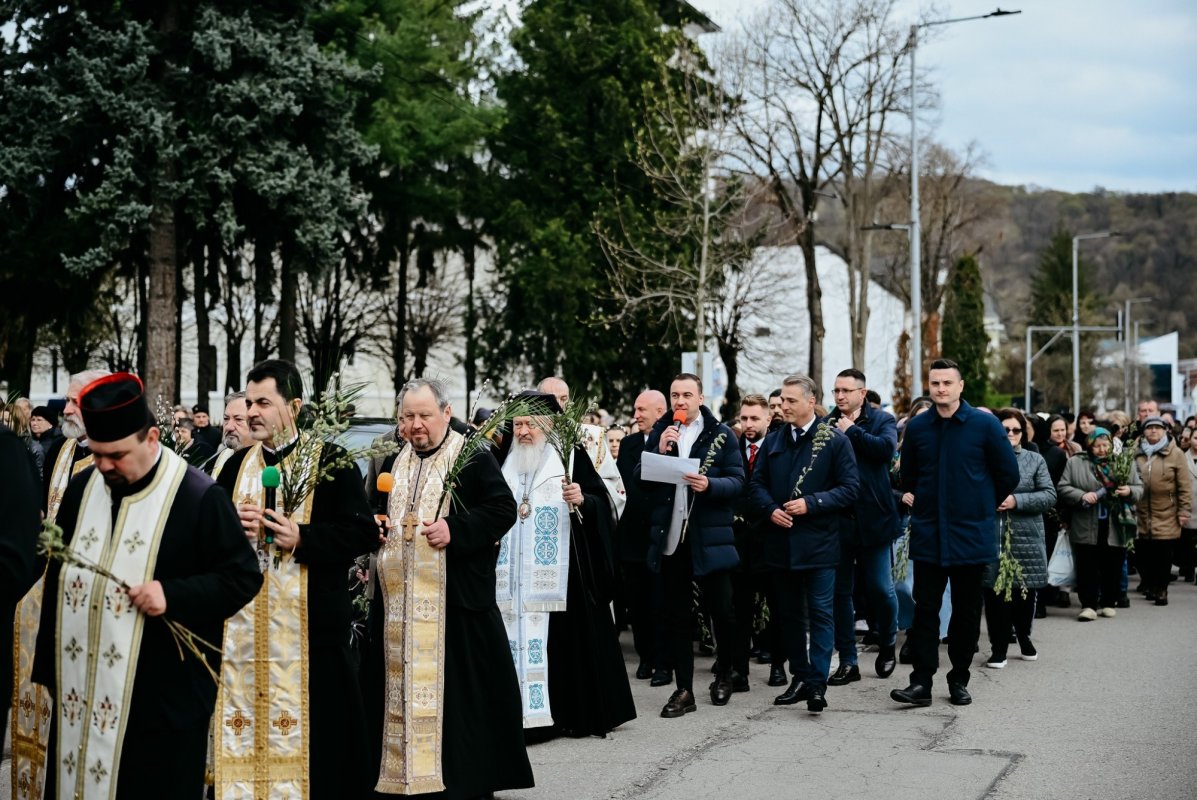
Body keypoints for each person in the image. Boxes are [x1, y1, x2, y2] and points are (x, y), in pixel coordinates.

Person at [32, 373, 262, 800]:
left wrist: (171, 594)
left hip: (162, 704)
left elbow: (243, 577)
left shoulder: (197, 495)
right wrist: (51, 673)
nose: (105, 466)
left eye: (117, 455)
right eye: (98, 454)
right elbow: (59, 576)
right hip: (82, 693)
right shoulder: (83, 488)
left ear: (152, 438)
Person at [212, 358, 379, 799]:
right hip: (245, 635)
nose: (252, 412)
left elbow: (361, 532)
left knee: (324, 755)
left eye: (263, 403)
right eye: (249, 403)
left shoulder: (330, 461)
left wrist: (301, 537)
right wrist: (232, 529)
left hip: (311, 635)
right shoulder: (234, 467)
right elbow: (209, 539)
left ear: (295, 406)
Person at [362, 378, 534, 798]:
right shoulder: (394, 460)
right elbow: (377, 511)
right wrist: (375, 528)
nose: (415, 425)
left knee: (459, 701)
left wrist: (455, 529)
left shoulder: (470, 454)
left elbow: (502, 508)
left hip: (455, 604)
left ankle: (460, 782)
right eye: (407, 417)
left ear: (446, 412)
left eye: (424, 415)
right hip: (397, 608)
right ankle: (399, 776)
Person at [497, 393, 635, 737]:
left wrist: (582, 499)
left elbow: (601, 501)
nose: (523, 432)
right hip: (510, 576)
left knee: (562, 644)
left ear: (549, 424)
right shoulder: (503, 457)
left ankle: (562, 715)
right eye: (518, 424)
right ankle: (513, 716)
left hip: (561, 574)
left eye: (530, 424)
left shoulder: (569, 455)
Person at [890, 359, 1019, 708]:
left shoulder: (984, 425)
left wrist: (980, 505)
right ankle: (921, 682)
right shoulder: (918, 427)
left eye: (947, 382)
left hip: (971, 534)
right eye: (935, 383)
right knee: (925, 611)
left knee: (965, 612)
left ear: (960, 386)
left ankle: (959, 678)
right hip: (929, 534)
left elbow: (1008, 473)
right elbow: (909, 476)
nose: (941, 389)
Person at [749, 374, 858, 715]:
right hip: (781, 543)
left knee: (821, 614)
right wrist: (770, 509)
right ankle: (800, 676)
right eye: (782, 400)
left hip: (820, 543)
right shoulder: (774, 441)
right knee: (790, 615)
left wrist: (812, 503)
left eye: (790, 400)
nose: (783, 406)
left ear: (811, 402)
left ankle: (817, 684)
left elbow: (850, 488)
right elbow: (756, 484)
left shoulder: (835, 441)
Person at [638, 373, 745, 717]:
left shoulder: (721, 434)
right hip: (672, 536)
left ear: (700, 398)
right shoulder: (662, 432)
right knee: (677, 615)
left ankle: (724, 673)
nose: (680, 401)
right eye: (675, 395)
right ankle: (684, 689)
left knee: (722, 610)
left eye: (687, 394)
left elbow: (738, 482)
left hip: (709, 537)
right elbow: (641, 479)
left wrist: (710, 484)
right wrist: (658, 450)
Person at [825, 369, 900, 684]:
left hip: (875, 518)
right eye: (836, 390)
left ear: (862, 393)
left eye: (846, 390)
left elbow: (885, 451)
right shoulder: (827, 424)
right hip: (839, 520)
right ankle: (848, 661)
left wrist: (853, 431)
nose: (840, 396)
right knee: (840, 593)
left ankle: (888, 641)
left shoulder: (882, 420)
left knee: (880, 588)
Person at [982, 409, 1055, 668]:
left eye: (1016, 430)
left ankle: (1024, 636)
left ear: (1023, 433)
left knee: (1024, 594)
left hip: (1026, 537)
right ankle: (998, 648)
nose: (1011, 434)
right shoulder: (983, 458)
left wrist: (1016, 500)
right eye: (1005, 430)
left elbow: (1049, 495)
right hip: (991, 536)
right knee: (994, 595)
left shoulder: (1034, 460)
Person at [730, 394, 787, 688]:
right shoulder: (732, 448)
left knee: (777, 606)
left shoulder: (778, 448)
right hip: (739, 541)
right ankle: (739, 670)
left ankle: (778, 664)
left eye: (754, 418)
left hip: (771, 537)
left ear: (768, 418)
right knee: (740, 608)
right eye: (744, 418)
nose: (748, 424)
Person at [1057, 428, 1141, 620]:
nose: (1102, 450)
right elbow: (1062, 487)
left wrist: (1129, 491)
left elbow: (1138, 487)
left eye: (1106, 445)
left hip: (1116, 523)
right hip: (1086, 522)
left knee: (1113, 564)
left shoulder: (1122, 462)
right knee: (1087, 565)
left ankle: (1109, 602)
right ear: (1089, 446)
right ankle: (1088, 605)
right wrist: (1082, 495)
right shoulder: (1076, 462)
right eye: (1097, 446)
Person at [617, 390, 668, 683]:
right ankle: (645, 656)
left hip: (661, 535)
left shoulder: (673, 441)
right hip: (633, 535)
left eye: (641, 410)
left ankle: (663, 661)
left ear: (659, 412)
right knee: (636, 602)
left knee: (661, 602)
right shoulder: (629, 444)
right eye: (635, 409)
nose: (636, 415)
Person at [538, 377, 626, 519]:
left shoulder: (590, 437)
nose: (559, 405)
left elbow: (613, 487)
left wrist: (584, 497)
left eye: (564, 399)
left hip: (577, 522)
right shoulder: (528, 436)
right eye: (552, 399)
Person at [1133, 415, 1191, 606]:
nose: (1154, 431)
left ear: (1165, 431)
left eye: (1158, 428)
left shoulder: (1176, 454)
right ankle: (1149, 584)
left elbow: (1184, 485)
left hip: (1167, 510)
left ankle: (1161, 589)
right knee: (1144, 551)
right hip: (1141, 510)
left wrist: (1184, 510)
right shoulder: (1135, 452)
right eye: (1150, 428)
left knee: (1163, 553)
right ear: (1144, 432)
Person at [42, 369, 111, 518]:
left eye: (76, 402)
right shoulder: (57, 448)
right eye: (67, 401)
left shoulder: (117, 456)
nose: (66, 410)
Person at [205, 391, 250, 477]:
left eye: (238, 419)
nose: (229, 427)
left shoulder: (271, 463)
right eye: (226, 418)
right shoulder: (212, 465)